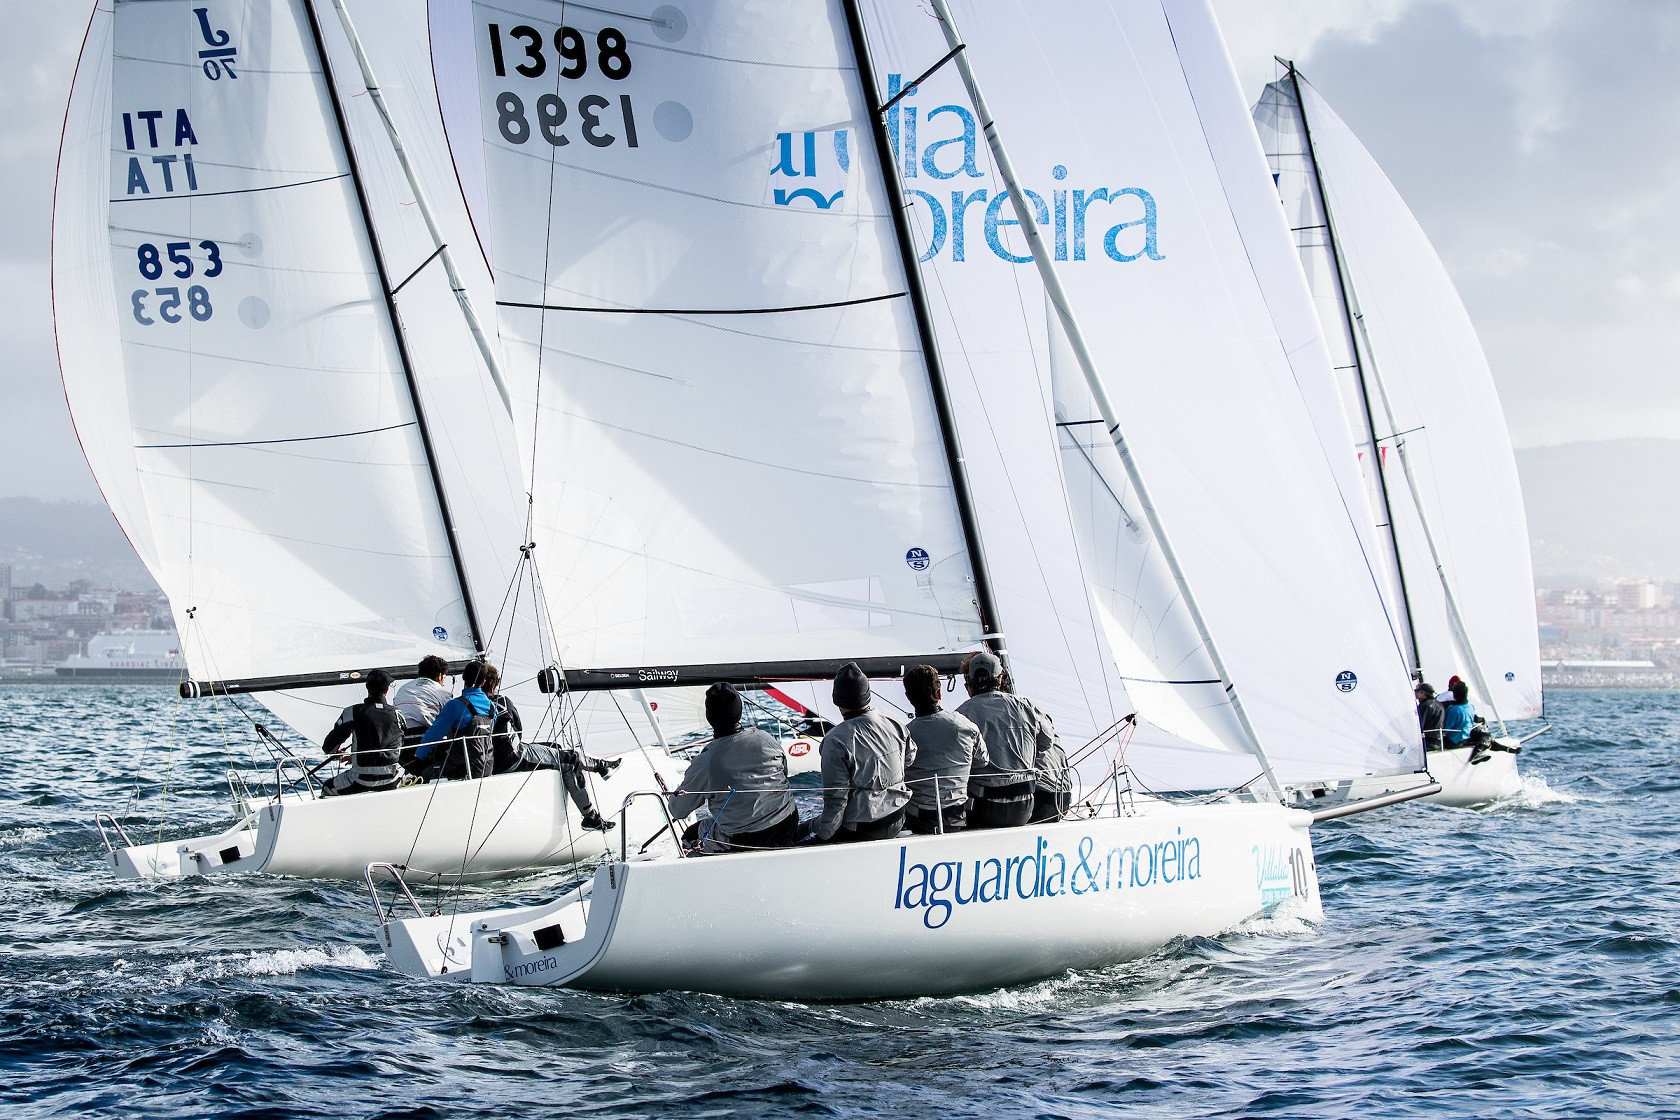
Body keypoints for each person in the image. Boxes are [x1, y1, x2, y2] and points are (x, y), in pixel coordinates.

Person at [475, 665, 618, 831]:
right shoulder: (502, 702)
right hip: (513, 757)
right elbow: (518, 730)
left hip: (491, 761)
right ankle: (590, 816)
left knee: (554, 747)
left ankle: (601, 766)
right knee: (570, 760)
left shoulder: (470, 704)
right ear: (494, 684)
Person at [667, 682, 801, 854]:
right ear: (740, 710)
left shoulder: (706, 761)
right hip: (787, 824)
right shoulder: (767, 739)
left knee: (691, 836)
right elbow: (784, 774)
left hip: (744, 840)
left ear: (709, 716)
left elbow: (677, 811)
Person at [810, 663, 914, 843]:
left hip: (864, 828)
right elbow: (910, 757)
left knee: (804, 829)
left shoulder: (834, 740)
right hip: (898, 815)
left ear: (837, 701)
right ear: (867, 695)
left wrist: (821, 837)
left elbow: (836, 801)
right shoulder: (891, 718)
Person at [958, 651, 1064, 828]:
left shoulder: (961, 715)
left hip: (984, 809)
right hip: (1023, 808)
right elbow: (1046, 743)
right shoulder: (1027, 706)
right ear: (1000, 679)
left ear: (969, 682)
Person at [902, 664, 981, 834]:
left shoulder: (904, 736)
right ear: (939, 693)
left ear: (909, 698)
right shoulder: (965, 725)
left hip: (918, 820)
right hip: (958, 816)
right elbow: (982, 761)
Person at [320, 669, 406, 796]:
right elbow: (400, 747)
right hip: (392, 780)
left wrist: (337, 753)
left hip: (360, 781)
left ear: (367, 688)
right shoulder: (398, 715)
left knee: (327, 787)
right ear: (386, 690)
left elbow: (328, 747)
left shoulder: (353, 712)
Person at [415, 662, 496, 780]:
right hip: (487, 767)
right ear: (483, 682)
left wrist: (419, 755)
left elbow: (434, 734)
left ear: (463, 678)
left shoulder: (455, 705)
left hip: (461, 768)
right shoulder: (492, 707)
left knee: (423, 774)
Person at [393, 655, 452, 744]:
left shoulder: (403, 688)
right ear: (439, 676)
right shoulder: (443, 693)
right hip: (428, 740)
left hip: (403, 739)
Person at [1441, 678, 1475, 748]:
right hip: (1466, 738)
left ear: (1454, 695)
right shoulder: (1471, 706)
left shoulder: (1453, 709)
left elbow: (1447, 727)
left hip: (1453, 741)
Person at [1416, 682, 1446, 751]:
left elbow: (1420, 725)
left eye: (1417, 691)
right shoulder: (1440, 704)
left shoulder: (1425, 705)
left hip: (1428, 742)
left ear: (1423, 693)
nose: (1415, 693)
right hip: (1438, 742)